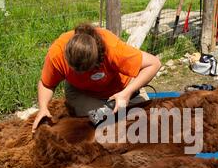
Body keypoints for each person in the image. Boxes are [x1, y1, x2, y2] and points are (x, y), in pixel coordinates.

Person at [32, 23, 161, 132]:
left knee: (145, 123)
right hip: (81, 92)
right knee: (97, 124)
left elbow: (154, 63)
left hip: (121, 87)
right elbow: (47, 84)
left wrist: (127, 93)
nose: (82, 75)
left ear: (98, 58)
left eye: (86, 70)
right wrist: (43, 107)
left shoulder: (112, 48)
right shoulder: (57, 53)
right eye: (76, 70)